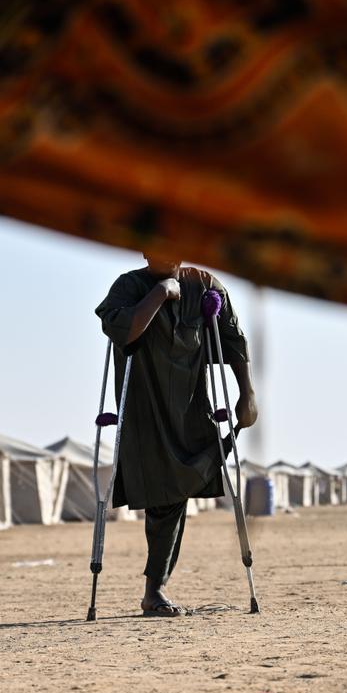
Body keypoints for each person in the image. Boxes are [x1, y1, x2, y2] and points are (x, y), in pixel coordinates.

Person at [96, 252, 258, 617]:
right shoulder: (128, 287)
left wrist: (246, 393)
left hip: (190, 409)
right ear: (145, 251)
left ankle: (155, 587)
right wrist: (160, 293)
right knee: (163, 498)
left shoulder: (205, 285)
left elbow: (232, 339)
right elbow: (124, 330)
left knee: (179, 489)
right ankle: (154, 589)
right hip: (145, 411)